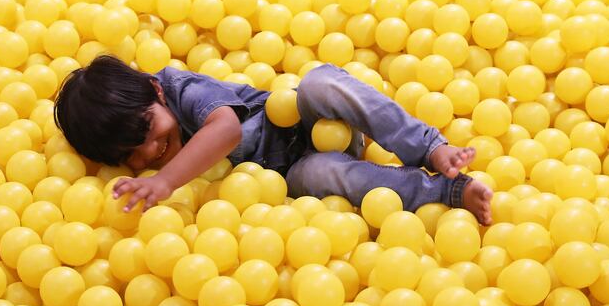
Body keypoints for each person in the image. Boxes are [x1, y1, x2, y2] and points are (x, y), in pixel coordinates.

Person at [54, 55, 493, 225]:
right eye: (130, 156)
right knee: (325, 173)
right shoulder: (150, 156)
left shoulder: (181, 89)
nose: (149, 151)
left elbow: (224, 130)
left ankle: (431, 146)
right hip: (291, 177)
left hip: (300, 123)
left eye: (147, 132)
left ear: (154, 90)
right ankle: (447, 191)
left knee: (319, 82)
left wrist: (165, 181)